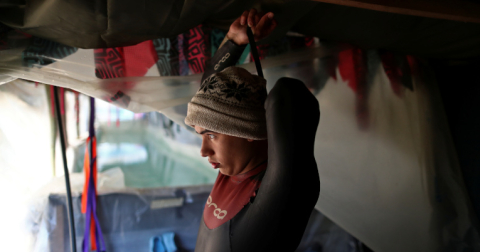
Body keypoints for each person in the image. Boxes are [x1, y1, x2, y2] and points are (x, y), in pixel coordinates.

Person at [184, 9, 321, 252]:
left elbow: (287, 96)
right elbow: (210, 94)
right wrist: (234, 42)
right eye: (202, 135)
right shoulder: (233, 167)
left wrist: (255, 117)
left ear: (247, 130)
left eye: (212, 136)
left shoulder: (282, 189)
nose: (204, 151)